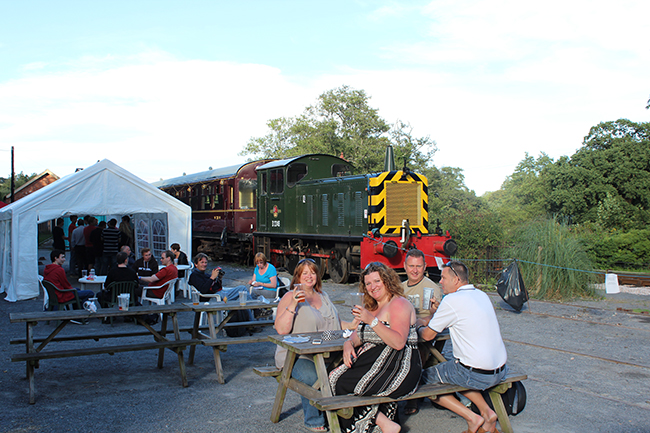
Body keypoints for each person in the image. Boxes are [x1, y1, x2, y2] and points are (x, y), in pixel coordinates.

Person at [329, 262, 422, 433]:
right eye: (368, 283)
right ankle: (384, 423)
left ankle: (382, 424)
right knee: (333, 377)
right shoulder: (372, 306)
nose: (373, 287)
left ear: (387, 281)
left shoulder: (399, 304)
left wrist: (372, 320)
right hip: (377, 361)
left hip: (399, 365)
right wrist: (348, 343)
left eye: (377, 281)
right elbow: (358, 335)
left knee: (341, 382)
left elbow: (399, 342)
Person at [418, 261, 508, 433]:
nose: (441, 282)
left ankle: (472, 418)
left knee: (425, 378)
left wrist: (417, 326)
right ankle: (487, 413)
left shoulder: (452, 300)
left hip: (476, 373)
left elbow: (428, 335)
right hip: (500, 370)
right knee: (455, 368)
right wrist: (438, 313)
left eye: (444, 278)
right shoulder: (481, 294)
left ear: (456, 279)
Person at [275, 259, 359, 433]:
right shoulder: (290, 296)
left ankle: (353, 413)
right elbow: (281, 329)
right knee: (315, 378)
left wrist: (351, 325)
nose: (309, 276)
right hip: (296, 356)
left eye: (312, 272)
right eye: (304, 273)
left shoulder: (323, 296)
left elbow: (333, 324)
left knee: (353, 368)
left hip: (326, 353)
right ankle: (314, 420)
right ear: (297, 276)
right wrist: (293, 305)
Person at [401, 249, 443, 416]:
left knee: (415, 354)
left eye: (418, 266)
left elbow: (437, 319)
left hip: (422, 337)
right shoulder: (399, 288)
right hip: (402, 332)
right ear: (405, 267)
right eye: (411, 266)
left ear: (425, 267)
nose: (415, 270)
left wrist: (432, 314)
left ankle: (412, 397)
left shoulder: (432, 289)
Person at [188, 253, 258, 321]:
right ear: (196, 264)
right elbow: (203, 290)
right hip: (213, 298)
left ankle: (252, 319)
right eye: (202, 262)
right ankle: (255, 313)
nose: (204, 264)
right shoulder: (194, 276)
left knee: (243, 292)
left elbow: (216, 287)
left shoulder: (205, 274)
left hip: (220, 294)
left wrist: (219, 279)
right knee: (243, 291)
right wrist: (212, 278)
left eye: (205, 262)